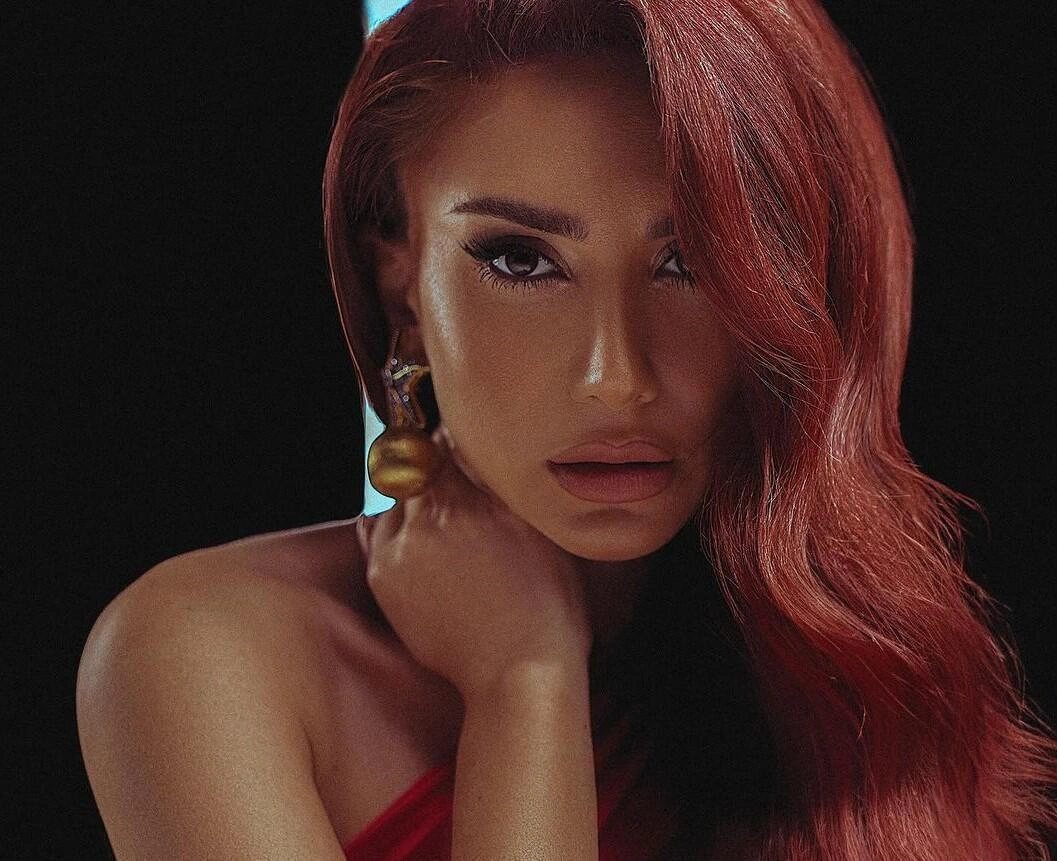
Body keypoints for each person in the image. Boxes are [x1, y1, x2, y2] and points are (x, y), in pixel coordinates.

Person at [76, 0, 1057, 858]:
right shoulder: (205, 651)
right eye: (519, 260)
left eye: (693, 262)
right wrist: (523, 682)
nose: (615, 377)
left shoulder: (848, 684)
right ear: (401, 287)